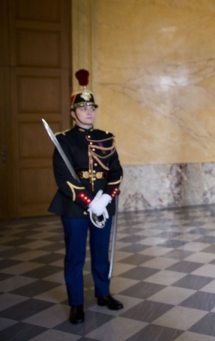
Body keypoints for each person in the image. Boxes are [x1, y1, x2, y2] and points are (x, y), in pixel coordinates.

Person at [48, 69, 123, 324]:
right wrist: (90, 202)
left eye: (92, 107)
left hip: (103, 206)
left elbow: (116, 171)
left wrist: (105, 200)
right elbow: (64, 178)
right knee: (75, 255)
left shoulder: (106, 138)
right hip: (75, 208)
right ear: (73, 113)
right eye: (83, 108)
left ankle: (103, 293)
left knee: (101, 253)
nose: (88, 112)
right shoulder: (64, 141)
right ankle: (77, 303)